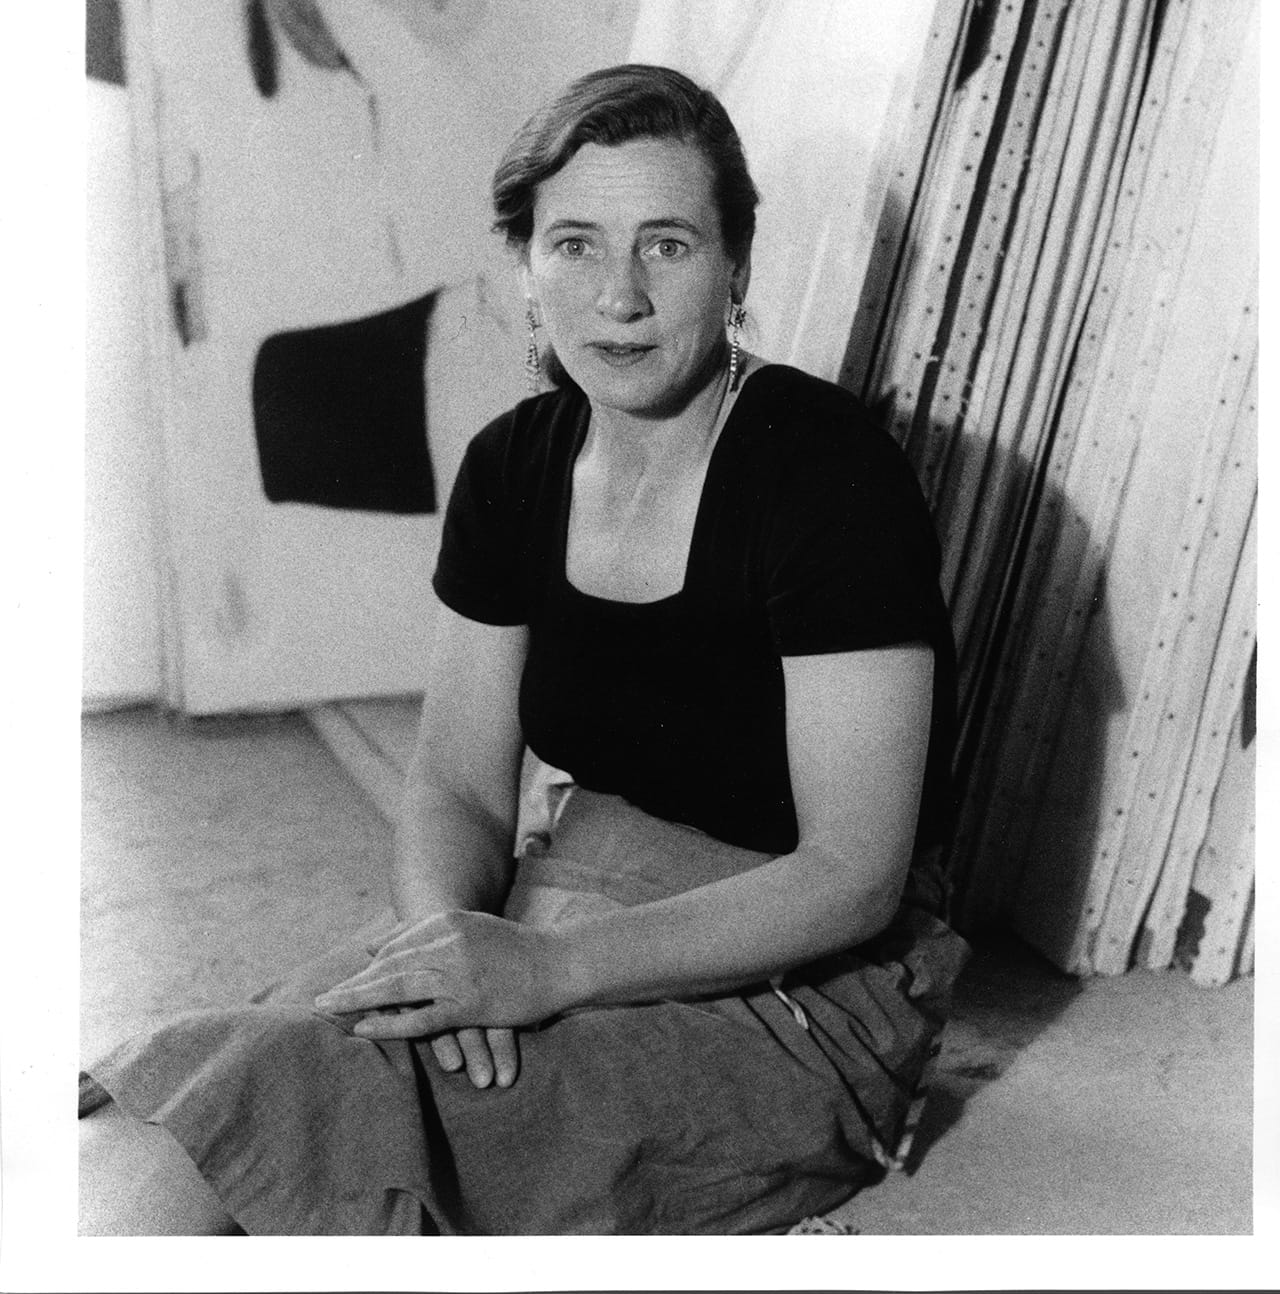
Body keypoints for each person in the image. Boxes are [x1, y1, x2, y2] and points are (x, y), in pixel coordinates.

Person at [79, 64, 969, 1236]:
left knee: (271, 1109)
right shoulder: (514, 463)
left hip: (794, 994)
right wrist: (455, 948)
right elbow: (453, 780)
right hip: (559, 897)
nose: (618, 297)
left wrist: (546, 973)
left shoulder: (826, 474)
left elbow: (851, 874)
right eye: (574, 245)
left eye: (666, 245)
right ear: (524, 270)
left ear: (737, 267)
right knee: (172, 1099)